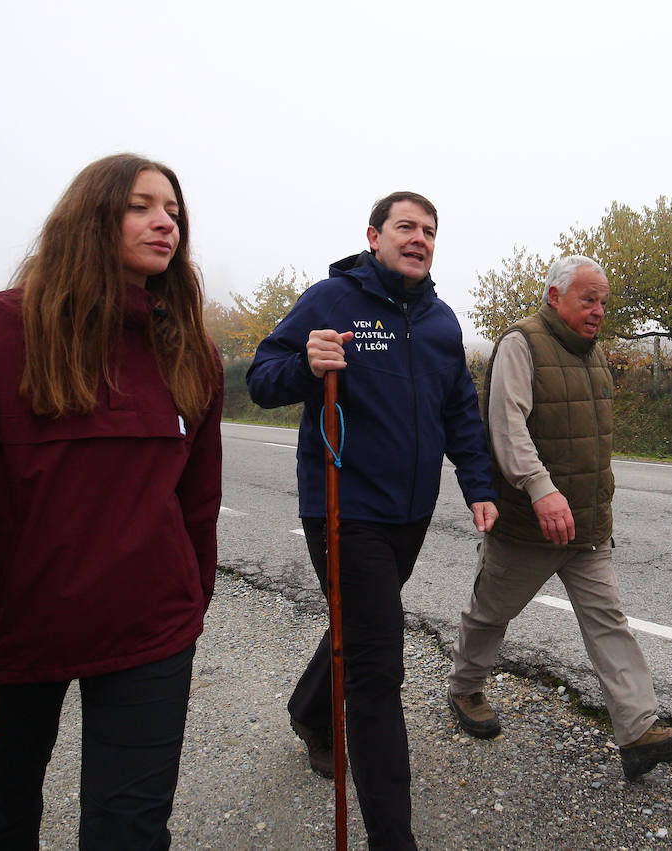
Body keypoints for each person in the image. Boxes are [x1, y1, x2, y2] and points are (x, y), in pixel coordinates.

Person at [0, 153, 223, 849]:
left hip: (148, 637)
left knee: (130, 829)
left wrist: (189, 603)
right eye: (141, 205)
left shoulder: (190, 353)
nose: (166, 223)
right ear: (89, 216)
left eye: (175, 212)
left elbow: (197, 502)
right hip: (13, 638)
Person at [246, 191, 497, 850]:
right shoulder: (332, 301)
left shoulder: (442, 322)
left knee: (360, 628)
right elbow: (262, 377)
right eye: (406, 227)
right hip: (343, 508)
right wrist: (306, 364)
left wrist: (479, 485)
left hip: (409, 512)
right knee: (378, 669)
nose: (420, 238)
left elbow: (460, 414)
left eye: (430, 230)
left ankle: (310, 713)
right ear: (374, 235)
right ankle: (394, 837)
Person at [446, 255, 672, 781]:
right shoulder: (521, 344)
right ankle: (465, 689)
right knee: (490, 613)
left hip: (588, 527)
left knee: (609, 623)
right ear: (554, 296)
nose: (598, 311)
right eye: (588, 299)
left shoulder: (596, 355)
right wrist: (541, 491)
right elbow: (506, 427)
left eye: (604, 301)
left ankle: (637, 733)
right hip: (527, 524)